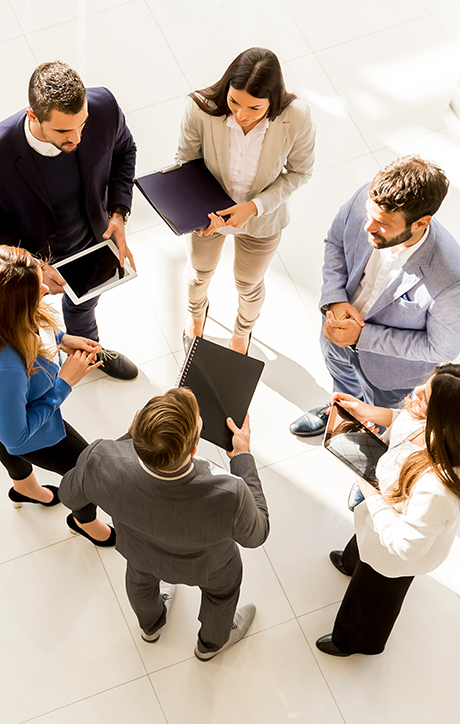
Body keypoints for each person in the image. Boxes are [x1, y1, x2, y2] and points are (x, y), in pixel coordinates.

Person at [59, 387, 270, 660]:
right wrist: (242, 458)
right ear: (194, 449)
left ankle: (151, 627)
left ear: (137, 427)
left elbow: (68, 494)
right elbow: (257, 535)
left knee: (140, 584)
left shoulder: (98, 461)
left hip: (140, 554)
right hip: (210, 568)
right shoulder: (231, 494)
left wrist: (126, 440)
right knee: (222, 596)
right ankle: (210, 645)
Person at [290, 155, 460, 437]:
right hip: (335, 336)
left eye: (382, 224)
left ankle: (369, 457)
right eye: (369, 215)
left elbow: (440, 349)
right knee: (342, 387)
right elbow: (335, 242)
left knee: (381, 429)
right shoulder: (366, 200)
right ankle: (340, 414)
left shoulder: (450, 277)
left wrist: (361, 338)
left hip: (389, 377)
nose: (368, 226)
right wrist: (334, 298)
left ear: (420, 223)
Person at [0, 60, 138, 380]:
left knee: (84, 307)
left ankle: (90, 352)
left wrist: (118, 214)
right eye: (63, 131)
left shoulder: (104, 108)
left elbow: (125, 150)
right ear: (32, 116)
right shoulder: (2, 151)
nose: (76, 138)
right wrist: (33, 267)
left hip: (91, 241)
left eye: (82, 125)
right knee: (26, 323)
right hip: (30, 260)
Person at [177, 47, 316, 355]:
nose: (241, 115)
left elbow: (299, 172)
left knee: (248, 284)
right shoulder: (201, 109)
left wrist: (254, 207)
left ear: (273, 101)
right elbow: (185, 162)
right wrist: (197, 212)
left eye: (255, 108)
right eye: (234, 101)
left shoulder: (297, 118)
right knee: (199, 273)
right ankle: (196, 315)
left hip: (262, 220)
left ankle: (242, 333)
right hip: (208, 216)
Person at [316, 364, 460, 656]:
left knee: (374, 592)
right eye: (425, 384)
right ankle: (351, 562)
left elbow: (404, 546)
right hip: (381, 514)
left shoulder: (437, 489)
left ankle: (355, 641)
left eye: (426, 395)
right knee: (364, 545)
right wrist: (365, 411)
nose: (416, 392)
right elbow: (404, 420)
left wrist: (371, 490)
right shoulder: (429, 418)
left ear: (444, 419)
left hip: (394, 549)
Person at [0, 245, 115, 546]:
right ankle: (84, 520)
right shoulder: (8, 367)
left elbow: (35, 327)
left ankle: (25, 488)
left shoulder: (10, 316)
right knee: (84, 469)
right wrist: (63, 384)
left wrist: (63, 340)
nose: (45, 288)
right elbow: (16, 437)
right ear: (14, 306)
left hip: (6, 411)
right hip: (28, 430)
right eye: (35, 288)